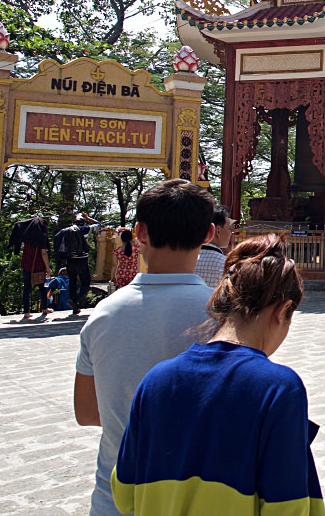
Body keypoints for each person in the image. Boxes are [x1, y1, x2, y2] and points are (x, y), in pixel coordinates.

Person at [110, 234, 325, 515]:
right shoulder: (279, 388)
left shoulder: (156, 379)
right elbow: (287, 508)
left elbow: (124, 493)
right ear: (283, 310)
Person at [74, 179, 216, 516]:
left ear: (139, 232)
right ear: (209, 234)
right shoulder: (222, 315)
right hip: (201, 497)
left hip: (117, 497)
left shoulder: (103, 315)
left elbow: (88, 413)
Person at [54, 212, 102, 315]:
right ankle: (77, 299)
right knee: (86, 282)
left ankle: (74, 302)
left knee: (72, 282)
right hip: (82, 260)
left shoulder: (66, 231)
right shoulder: (85, 229)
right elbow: (99, 224)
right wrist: (88, 217)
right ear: (83, 223)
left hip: (70, 260)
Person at [10, 215, 50, 320]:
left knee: (27, 289)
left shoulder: (27, 235)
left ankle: (26, 312)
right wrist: (48, 268)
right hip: (39, 266)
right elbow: (43, 253)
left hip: (26, 265)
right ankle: (44, 308)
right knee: (43, 288)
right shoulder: (41, 237)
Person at [195, 204, 234, 288]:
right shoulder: (226, 265)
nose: (231, 233)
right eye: (229, 229)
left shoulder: (188, 261)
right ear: (218, 231)